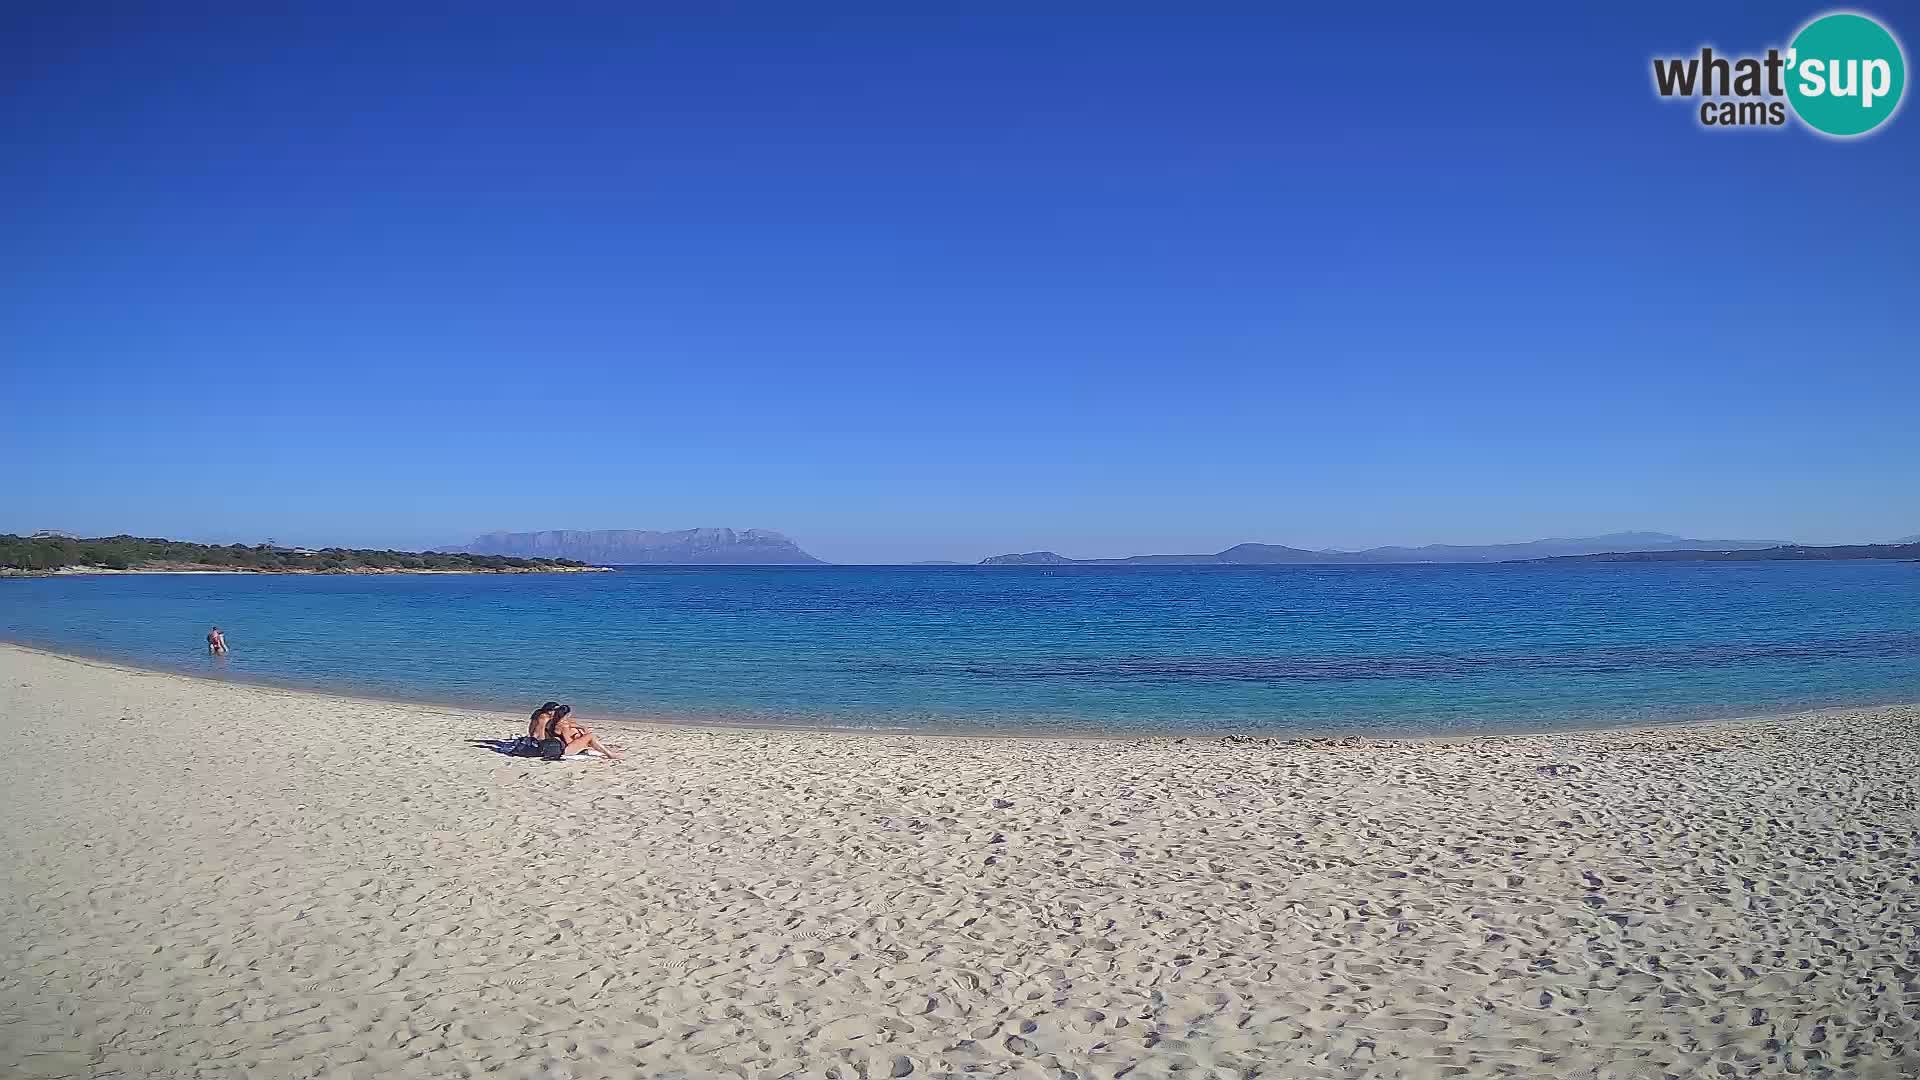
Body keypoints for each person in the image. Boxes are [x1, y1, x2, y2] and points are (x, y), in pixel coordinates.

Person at [542, 704, 622, 762]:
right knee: (589, 736)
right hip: (566, 750)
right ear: (567, 714)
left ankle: (597, 747)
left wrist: (581, 728)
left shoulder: (553, 722)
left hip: (558, 746)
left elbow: (571, 724)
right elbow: (569, 742)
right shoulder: (564, 726)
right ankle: (610, 755)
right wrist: (581, 740)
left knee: (580, 734)